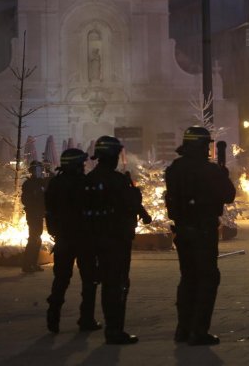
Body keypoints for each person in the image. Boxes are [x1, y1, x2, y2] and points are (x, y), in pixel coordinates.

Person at [165, 126, 236, 346]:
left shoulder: (174, 169)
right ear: (200, 146)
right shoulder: (210, 171)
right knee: (207, 278)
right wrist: (223, 175)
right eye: (206, 144)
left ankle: (183, 329)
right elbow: (228, 195)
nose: (208, 148)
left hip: (183, 230)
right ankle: (199, 331)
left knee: (188, 278)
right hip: (203, 232)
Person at [85, 135, 150, 345]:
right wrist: (135, 193)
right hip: (116, 240)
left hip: (95, 239)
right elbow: (131, 204)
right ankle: (115, 330)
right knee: (118, 284)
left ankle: (108, 327)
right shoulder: (118, 180)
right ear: (112, 156)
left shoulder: (89, 180)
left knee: (106, 283)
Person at [45, 148, 101, 334]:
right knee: (89, 280)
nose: (84, 166)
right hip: (84, 239)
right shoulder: (84, 184)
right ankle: (86, 319)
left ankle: (53, 316)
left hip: (63, 239)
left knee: (61, 279)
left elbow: (49, 210)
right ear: (77, 164)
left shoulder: (55, 183)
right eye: (82, 163)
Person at [21, 160, 49, 273]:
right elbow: (25, 200)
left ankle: (33, 263)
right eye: (38, 169)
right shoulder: (29, 184)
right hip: (33, 215)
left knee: (37, 239)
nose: (40, 171)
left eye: (40, 169)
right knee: (33, 239)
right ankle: (27, 265)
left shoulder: (41, 182)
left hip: (39, 214)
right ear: (32, 171)